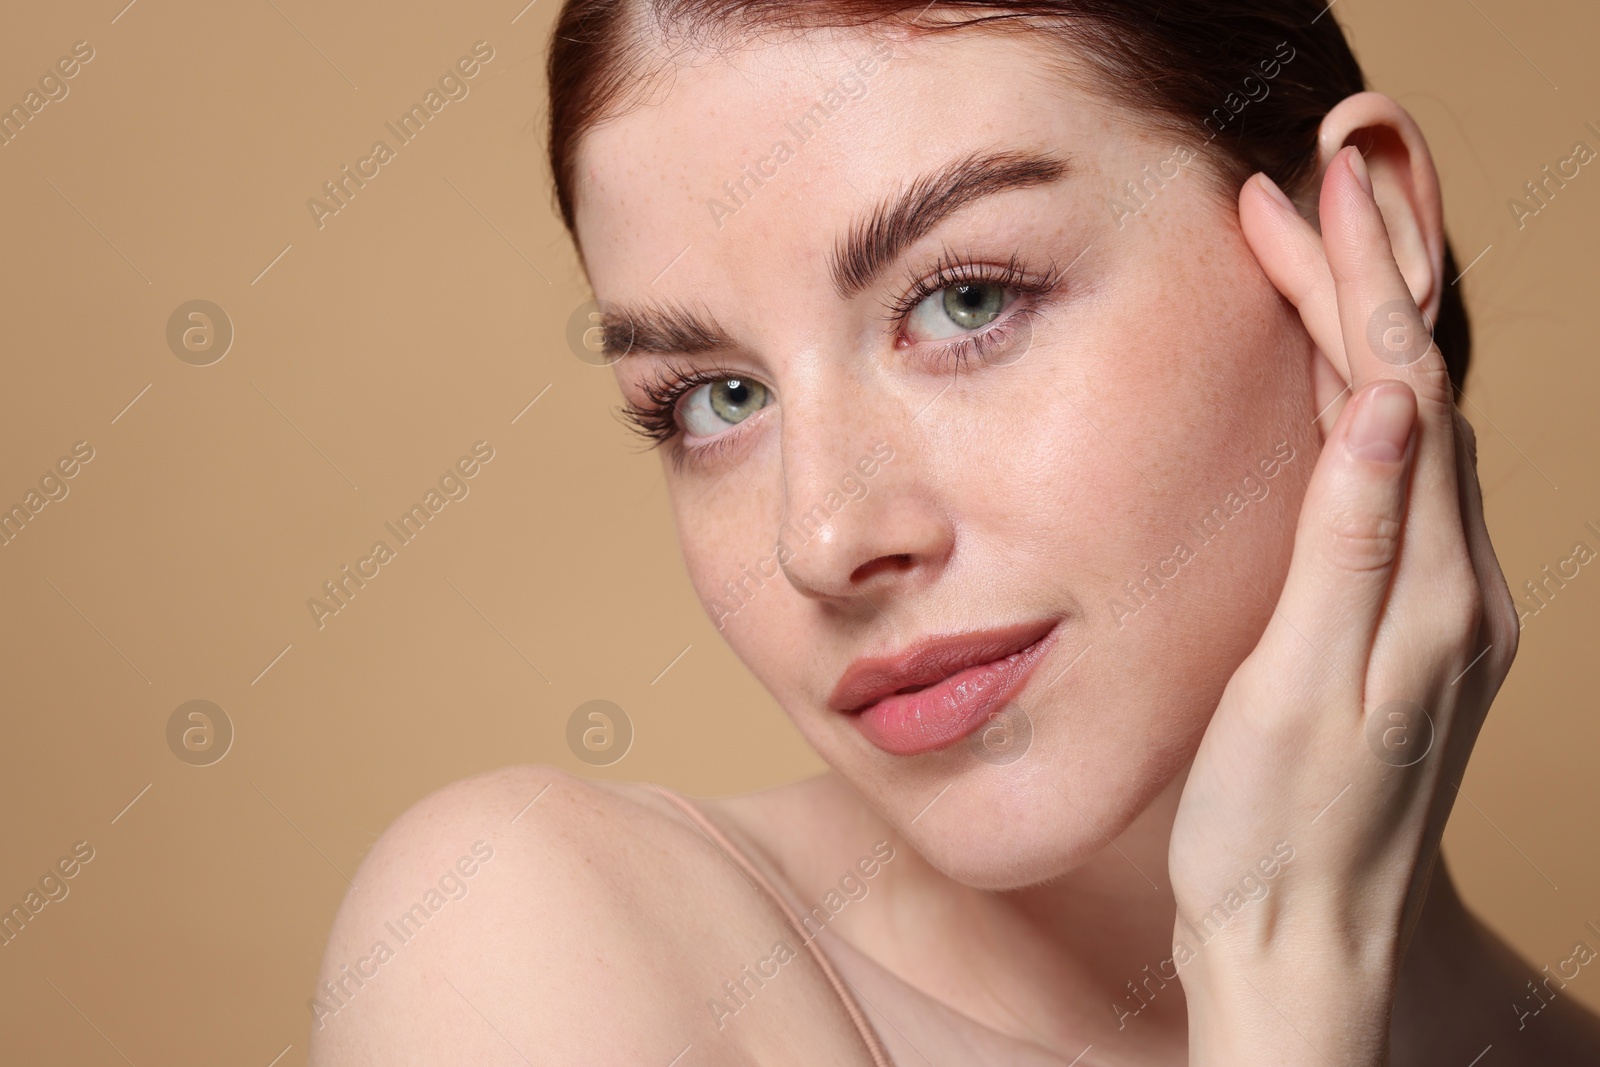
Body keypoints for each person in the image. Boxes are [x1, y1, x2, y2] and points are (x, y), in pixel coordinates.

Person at [308, 2, 1600, 1062]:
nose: (822, 537)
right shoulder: (530, 939)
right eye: (717, 399)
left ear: (1355, 229)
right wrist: (1283, 988)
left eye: (965, 300)